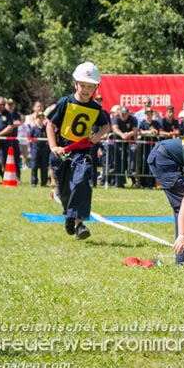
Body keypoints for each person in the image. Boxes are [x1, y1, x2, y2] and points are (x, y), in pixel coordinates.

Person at [46, 61, 110, 240]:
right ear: (75, 84)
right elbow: (50, 124)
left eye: (90, 86)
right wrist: (53, 146)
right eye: (83, 85)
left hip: (82, 152)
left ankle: (79, 223)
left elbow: (106, 125)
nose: (86, 90)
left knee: (82, 180)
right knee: (65, 189)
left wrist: (98, 136)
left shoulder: (96, 109)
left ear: (95, 87)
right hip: (62, 152)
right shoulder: (65, 103)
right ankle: (69, 213)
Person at [111, 105, 137, 188]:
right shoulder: (116, 118)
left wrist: (128, 134)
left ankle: (131, 170)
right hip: (118, 142)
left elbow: (135, 130)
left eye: (125, 114)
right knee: (119, 161)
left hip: (129, 142)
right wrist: (122, 135)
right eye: (122, 114)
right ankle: (119, 183)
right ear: (119, 113)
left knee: (133, 150)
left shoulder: (132, 119)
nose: (124, 116)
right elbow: (115, 128)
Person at [136, 107, 160, 188]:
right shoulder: (143, 122)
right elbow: (139, 132)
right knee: (144, 163)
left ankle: (152, 183)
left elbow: (159, 132)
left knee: (153, 163)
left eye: (150, 113)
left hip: (153, 146)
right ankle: (143, 183)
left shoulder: (155, 123)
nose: (148, 114)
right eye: (147, 113)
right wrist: (149, 132)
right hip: (144, 146)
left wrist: (156, 132)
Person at [29, 111, 50, 187]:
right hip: (35, 149)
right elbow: (30, 138)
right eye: (39, 118)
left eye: (42, 118)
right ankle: (34, 182)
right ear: (36, 119)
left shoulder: (45, 128)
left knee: (44, 166)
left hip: (44, 149)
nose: (40, 119)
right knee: (34, 166)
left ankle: (44, 182)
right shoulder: (34, 129)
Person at [5, 98, 23, 180]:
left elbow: (19, 123)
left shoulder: (16, 114)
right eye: (9, 104)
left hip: (14, 139)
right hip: (5, 139)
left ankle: (17, 176)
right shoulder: (4, 113)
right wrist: (12, 124)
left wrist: (10, 124)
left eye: (12, 104)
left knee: (16, 158)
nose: (10, 106)